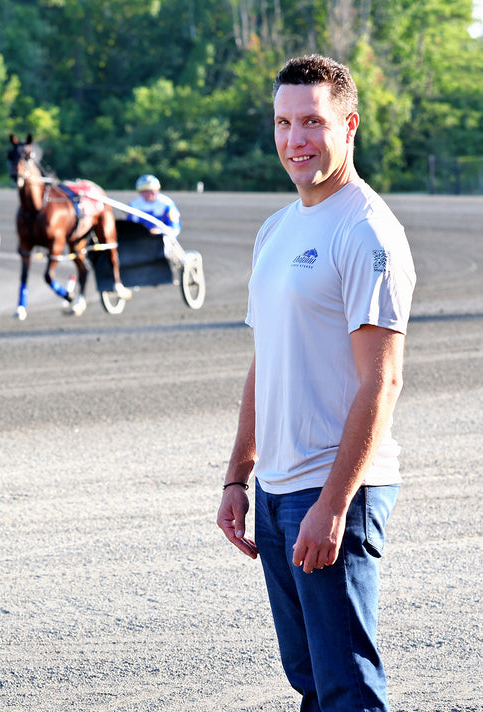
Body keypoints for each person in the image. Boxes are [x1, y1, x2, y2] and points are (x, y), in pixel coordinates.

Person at [217, 54, 416, 712]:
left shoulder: (365, 233)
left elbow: (381, 381)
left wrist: (332, 504)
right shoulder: (276, 230)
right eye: (281, 122)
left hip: (334, 489)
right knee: (309, 682)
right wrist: (237, 476)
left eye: (311, 121)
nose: (293, 139)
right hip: (276, 492)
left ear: (348, 125)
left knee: (347, 689)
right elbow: (265, 358)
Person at [126, 174, 181, 239]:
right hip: (139, 242)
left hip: (162, 242)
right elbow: (128, 226)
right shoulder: (134, 205)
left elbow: (175, 228)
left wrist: (158, 232)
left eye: (151, 191)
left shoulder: (166, 204)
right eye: (144, 191)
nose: (148, 194)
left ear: (157, 190)